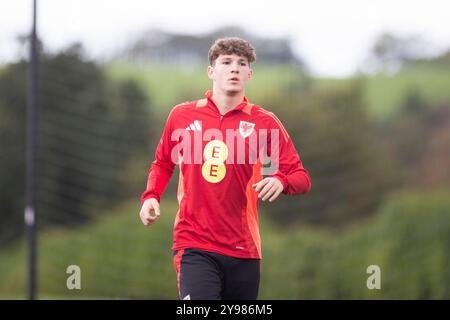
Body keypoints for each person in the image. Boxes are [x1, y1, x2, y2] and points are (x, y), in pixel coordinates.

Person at [139, 37, 311, 300]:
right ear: (211, 71)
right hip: (193, 244)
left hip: (244, 250)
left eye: (242, 64)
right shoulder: (181, 116)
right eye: (227, 62)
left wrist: (281, 181)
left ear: (249, 75)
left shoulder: (264, 122)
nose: (234, 69)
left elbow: (301, 178)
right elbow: (162, 163)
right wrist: (151, 196)